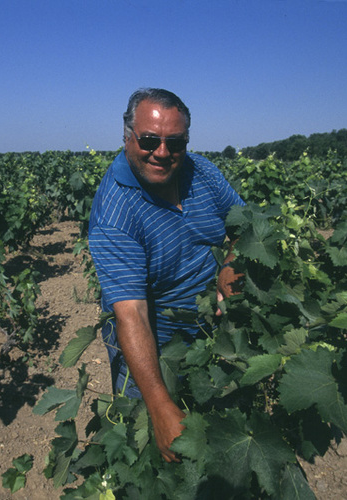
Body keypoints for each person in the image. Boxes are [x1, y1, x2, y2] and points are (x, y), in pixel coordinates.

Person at [88, 88, 245, 463]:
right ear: (127, 137)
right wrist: (158, 406)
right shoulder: (115, 211)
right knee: (151, 446)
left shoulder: (202, 171)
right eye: (149, 140)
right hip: (153, 344)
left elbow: (244, 226)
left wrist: (229, 263)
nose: (162, 151)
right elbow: (132, 314)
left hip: (213, 330)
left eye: (175, 142)